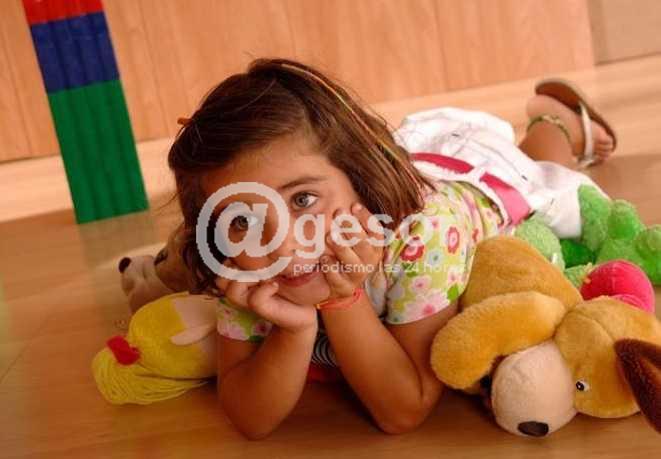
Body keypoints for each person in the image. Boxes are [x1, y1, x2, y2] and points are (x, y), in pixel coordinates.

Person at [160, 58, 615, 439]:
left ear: (359, 179)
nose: (284, 245)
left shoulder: (422, 235)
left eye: (303, 201)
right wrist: (293, 331)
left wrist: (341, 299)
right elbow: (249, 419)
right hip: (398, 164)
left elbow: (405, 409)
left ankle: (554, 121)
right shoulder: (244, 262)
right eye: (243, 219)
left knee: (540, 167)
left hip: (479, 179)